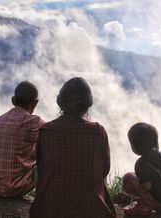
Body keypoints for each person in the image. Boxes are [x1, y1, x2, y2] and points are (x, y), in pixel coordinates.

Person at [30, 77, 116, 218]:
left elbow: (43, 170)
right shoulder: (98, 131)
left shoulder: (45, 131)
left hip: (49, 210)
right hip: (91, 211)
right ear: (88, 105)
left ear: (60, 103)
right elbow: (104, 170)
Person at [0, 81, 44, 197]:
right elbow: (53, 138)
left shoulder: (0, 119)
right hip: (17, 187)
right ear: (35, 103)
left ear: (13, 100)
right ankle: (43, 203)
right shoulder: (34, 122)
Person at [122, 122, 161, 216]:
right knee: (141, 180)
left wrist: (139, 199)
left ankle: (143, 209)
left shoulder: (141, 163)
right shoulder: (160, 155)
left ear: (135, 145)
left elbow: (146, 188)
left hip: (157, 202)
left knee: (128, 177)